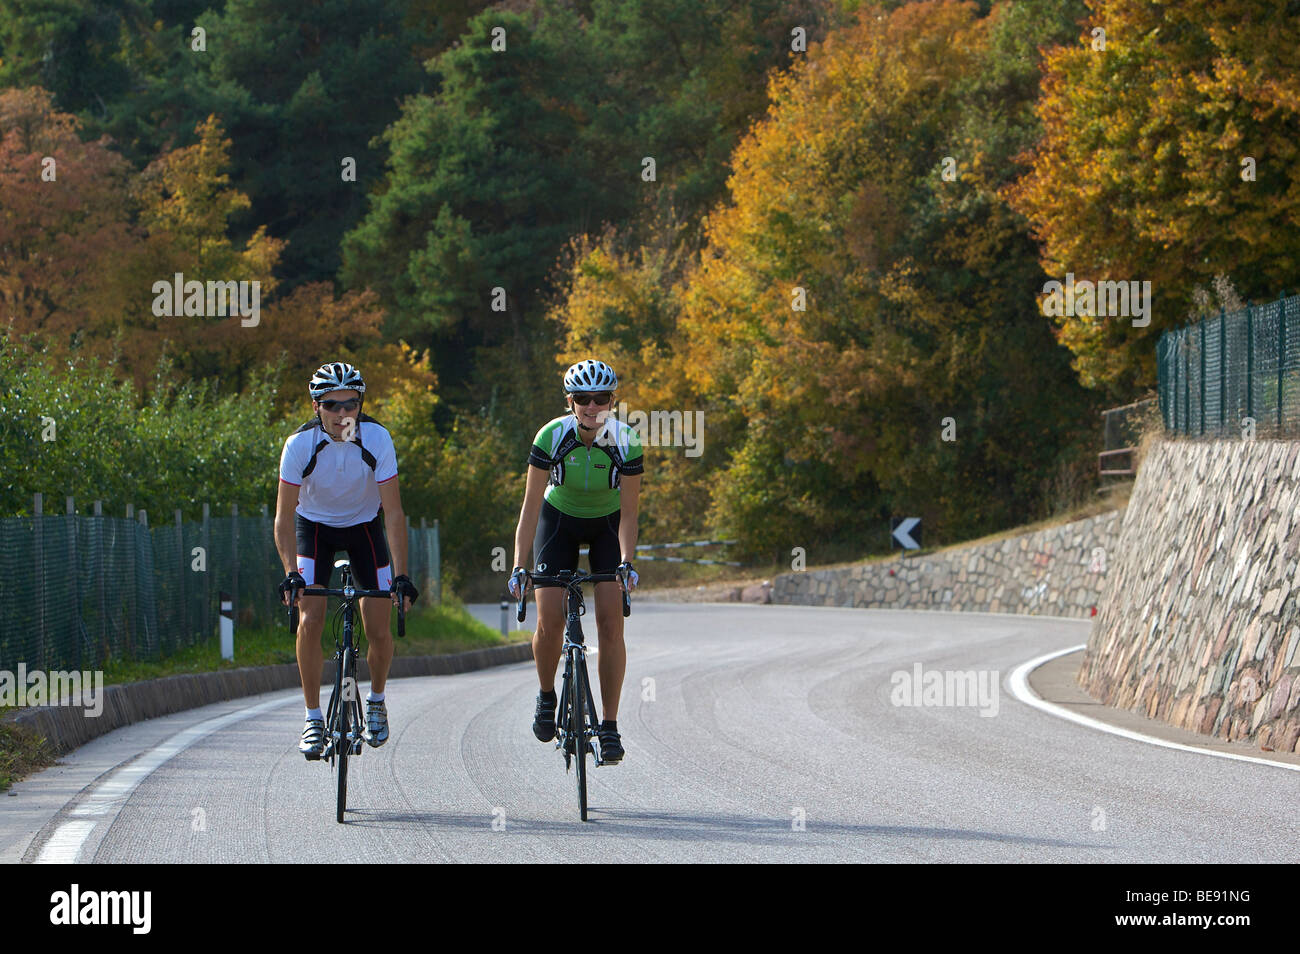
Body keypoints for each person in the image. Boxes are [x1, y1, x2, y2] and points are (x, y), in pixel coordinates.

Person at [274, 361, 418, 760]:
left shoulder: (377, 439)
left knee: (378, 624)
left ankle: (375, 699)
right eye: (332, 405)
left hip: (364, 526)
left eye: (350, 405)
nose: (342, 415)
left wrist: (402, 576)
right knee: (311, 616)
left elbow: (394, 513)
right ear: (316, 406)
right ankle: (313, 717)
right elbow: (284, 518)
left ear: (360, 404)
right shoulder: (299, 445)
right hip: (314, 527)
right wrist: (290, 573)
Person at [508, 359, 642, 762]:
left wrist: (626, 561)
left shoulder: (626, 441)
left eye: (601, 398)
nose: (592, 405)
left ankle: (611, 725)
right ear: (570, 401)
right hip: (559, 521)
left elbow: (631, 514)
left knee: (609, 623)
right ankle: (547, 695)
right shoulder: (551, 436)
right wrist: (518, 564)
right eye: (583, 398)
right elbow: (530, 508)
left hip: (607, 523)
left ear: (612, 401)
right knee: (548, 620)